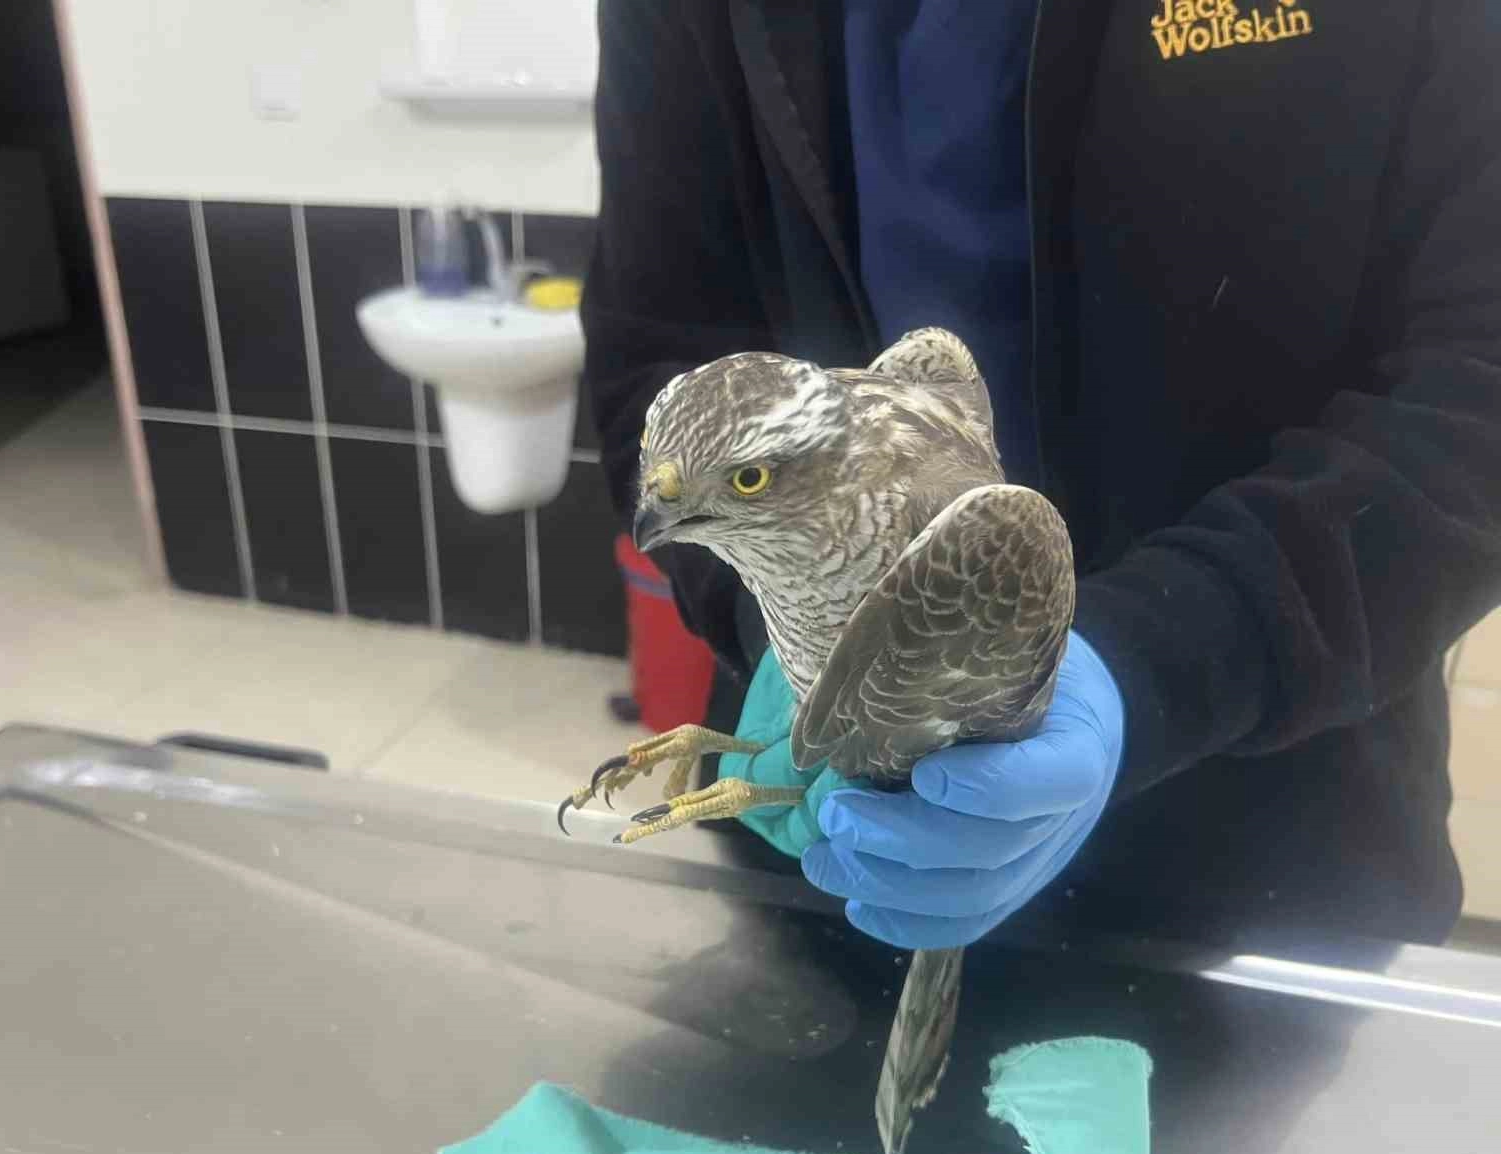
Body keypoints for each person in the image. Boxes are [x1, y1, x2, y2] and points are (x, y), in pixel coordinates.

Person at [583, 0, 1501, 950]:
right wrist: (784, 619)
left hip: (1268, 838)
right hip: (830, 840)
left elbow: (1478, 382)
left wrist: (1157, 661)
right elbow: (653, 347)